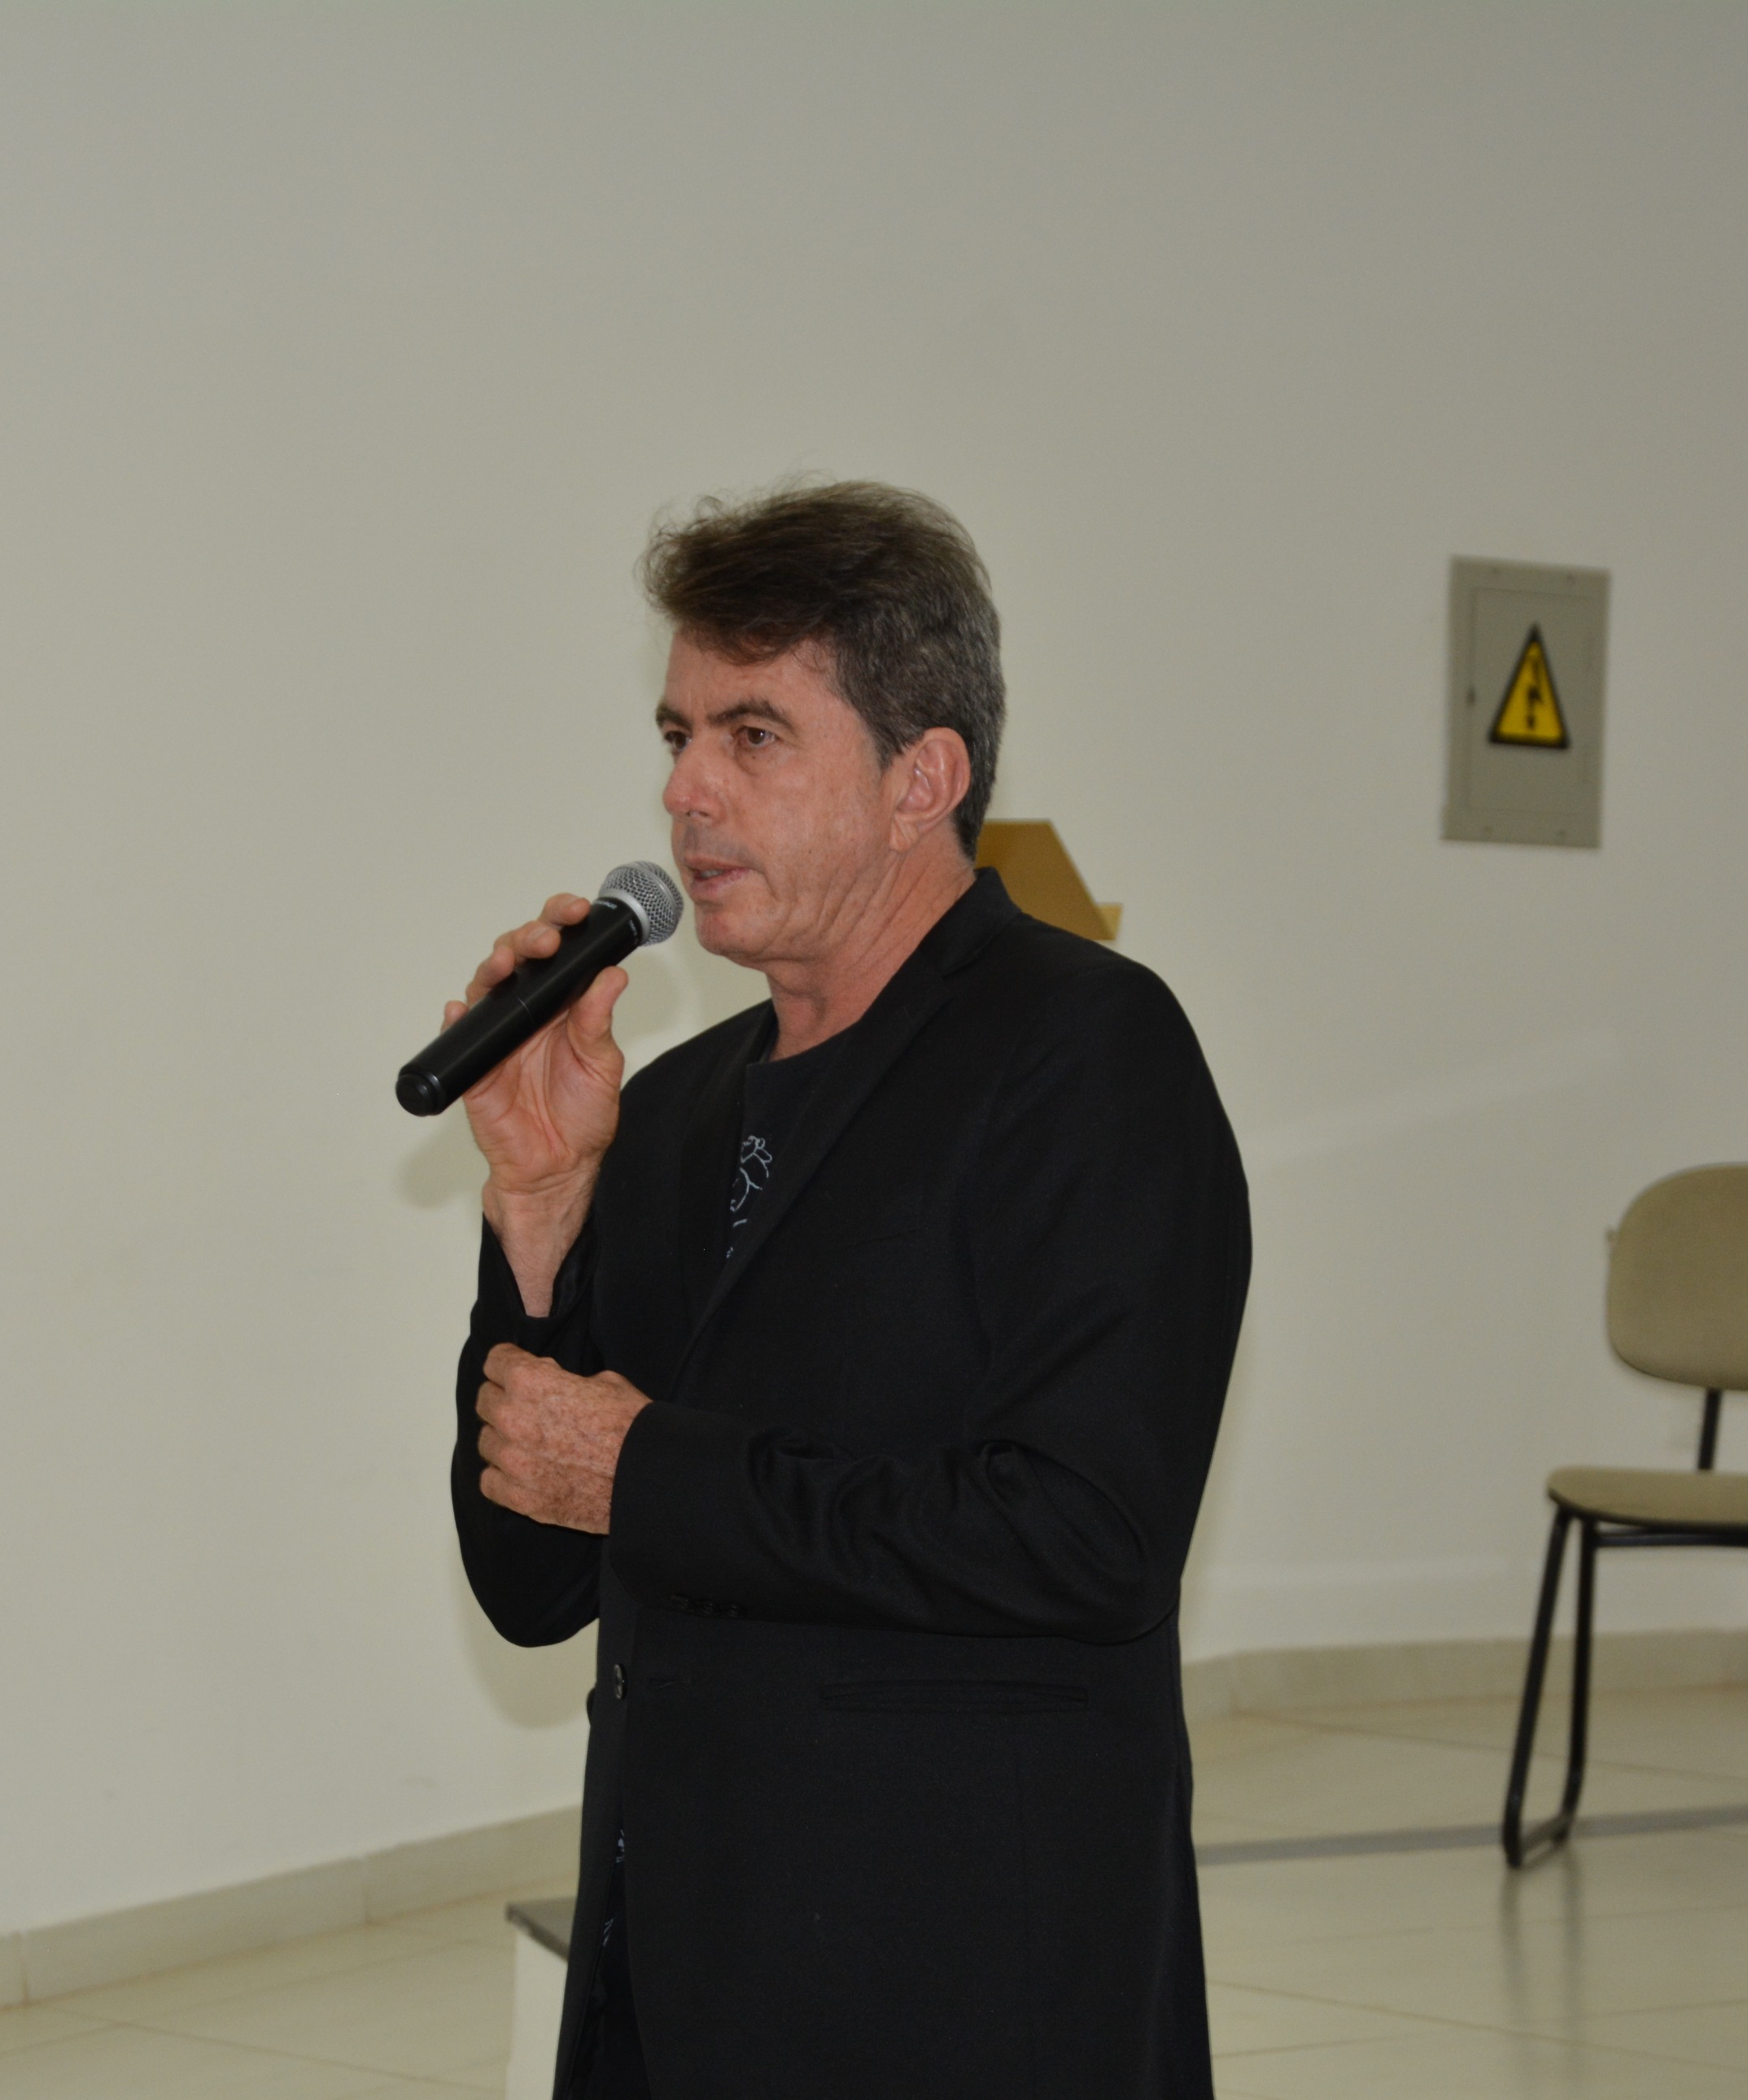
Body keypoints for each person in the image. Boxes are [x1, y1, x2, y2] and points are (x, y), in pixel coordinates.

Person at [446, 482, 1250, 2100]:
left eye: (753, 735)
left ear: (921, 779)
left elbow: (1084, 1534)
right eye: (678, 735)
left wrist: (646, 1468)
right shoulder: (672, 1108)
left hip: (963, 1990)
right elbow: (532, 1577)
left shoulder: (1085, 1054)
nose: (684, 790)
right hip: (677, 1984)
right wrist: (537, 1209)